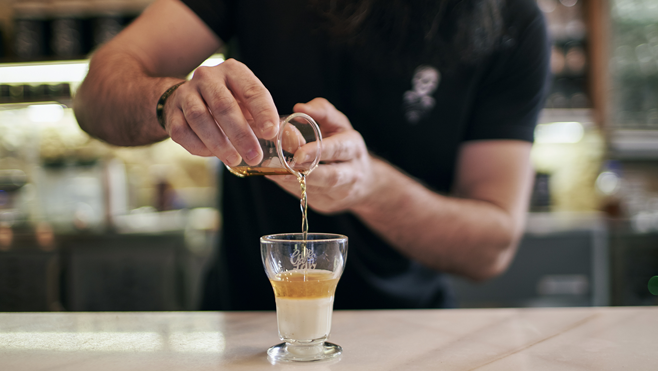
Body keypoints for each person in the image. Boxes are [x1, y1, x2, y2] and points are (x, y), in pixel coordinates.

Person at [74, 0, 550, 310]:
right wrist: (171, 101)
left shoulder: (511, 22)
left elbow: (492, 246)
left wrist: (369, 187)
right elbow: (94, 97)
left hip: (409, 333)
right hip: (246, 328)